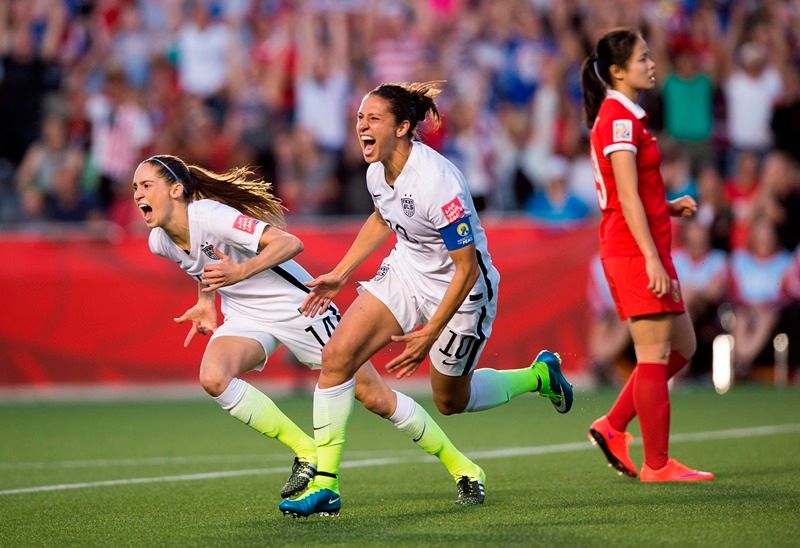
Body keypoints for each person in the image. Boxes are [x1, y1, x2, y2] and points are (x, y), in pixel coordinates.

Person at [278, 81, 573, 518]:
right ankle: (326, 484)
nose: (362, 125)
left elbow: (467, 267)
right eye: (360, 117)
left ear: (402, 127)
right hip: (406, 273)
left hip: (463, 290)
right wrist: (341, 273)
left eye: (372, 118)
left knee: (450, 401)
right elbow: (383, 216)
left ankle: (538, 376)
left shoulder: (438, 182)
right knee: (337, 356)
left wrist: (430, 330)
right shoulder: (377, 170)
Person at [131, 154, 487, 507]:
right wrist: (206, 302)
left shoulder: (210, 215)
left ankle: (465, 468)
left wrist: (241, 273)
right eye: (135, 188)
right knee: (213, 377)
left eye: (147, 185)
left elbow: (290, 244)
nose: (138, 194)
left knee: (376, 398)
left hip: (299, 308)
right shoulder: (159, 241)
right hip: (245, 316)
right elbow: (203, 266)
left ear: (177, 190)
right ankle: (306, 452)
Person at [580, 28, 714, 482]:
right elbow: (626, 197)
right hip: (635, 251)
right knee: (655, 354)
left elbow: (634, 190)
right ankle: (657, 464)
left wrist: (669, 204)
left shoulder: (625, 115)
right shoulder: (618, 118)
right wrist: (651, 259)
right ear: (617, 72)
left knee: (683, 346)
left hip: (646, 246)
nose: (652, 64)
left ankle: (613, 425)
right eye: (643, 59)